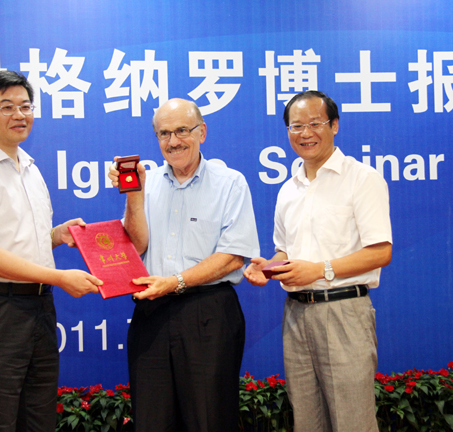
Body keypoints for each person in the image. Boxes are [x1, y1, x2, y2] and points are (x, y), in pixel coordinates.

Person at [0, 70, 103, 432]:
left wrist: (56, 236)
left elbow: (18, 243)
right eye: (7, 107)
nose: (20, 115)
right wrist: (59, 277)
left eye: (26, 106)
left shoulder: (29, 167)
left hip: (38, 309)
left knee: (38, 420)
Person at [244, 90, 392, 432]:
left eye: (315, 123)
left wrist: (319, 270)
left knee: (352, 422)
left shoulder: (361, 178)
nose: (305, 133)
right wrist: (268, 268)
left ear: (334, 125)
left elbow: (380, 252)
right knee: (307, 422)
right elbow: (285, 251)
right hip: (296, 314)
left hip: (343, 312)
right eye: (296, 126)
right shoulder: (288, 189)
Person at [108, 98, 259, 432]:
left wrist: (174, 281)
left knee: (209, 419)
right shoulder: (148, 183)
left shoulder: (230, 182)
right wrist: (134, 195)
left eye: (181, 131)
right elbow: (136, 247)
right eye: (164, 133)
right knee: (152, 421)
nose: (173, 141)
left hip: (208, 313)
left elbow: (233, 255)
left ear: (201, 132)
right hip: (152, 312)